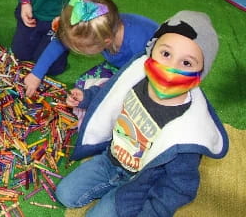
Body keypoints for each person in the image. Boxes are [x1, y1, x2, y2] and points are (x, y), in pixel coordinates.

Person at [55, 11, 229, 216]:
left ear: (201, 73)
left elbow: (179, 187)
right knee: (64, 194)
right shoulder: (137, 75)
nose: (170, 68)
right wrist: (85, 97)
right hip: (110, 161)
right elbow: (110, 92)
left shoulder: (189, 130)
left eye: (186, 63)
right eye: (166, 54)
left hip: (141, 185)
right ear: (152, 49)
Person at [24, 0, 158, 98]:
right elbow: (60, 41)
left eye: (82, 48)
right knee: (82, 86)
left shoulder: (138, 43)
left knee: (109, 98)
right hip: (122, 67)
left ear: (105, 42)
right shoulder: (98, 27)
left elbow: (153, 78)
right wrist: (36, 74)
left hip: (150, 74)